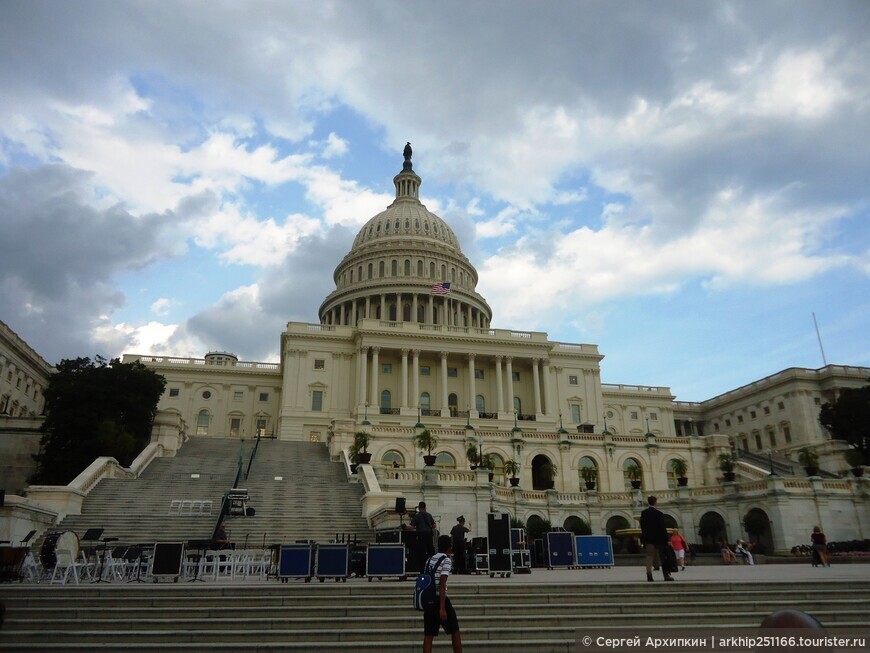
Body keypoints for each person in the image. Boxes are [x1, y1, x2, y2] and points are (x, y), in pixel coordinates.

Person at [422, 534, 462, 653]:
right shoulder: (446, 560)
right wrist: (442, 608)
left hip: (429, 600)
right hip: (441, 600)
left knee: (428, 635)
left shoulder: (429, 560)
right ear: (449, 547)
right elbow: (442, 583)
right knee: (455, 631)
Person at [639, 496, 673, 582]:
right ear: (655, 502)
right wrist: (667, 540)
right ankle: (666, 575)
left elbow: (642, 527)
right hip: (659, 539)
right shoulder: (659, 514)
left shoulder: (644, 513)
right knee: (663, 556)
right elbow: (662, 528)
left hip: (649, 539)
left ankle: (649, 573)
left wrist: (644, 537)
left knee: (650, 556)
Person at [407, 501, 436, 570]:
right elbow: (434, 525)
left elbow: (412, 527)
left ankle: (422, 571)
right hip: (429, 535)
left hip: (421, 535)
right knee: (431, 553)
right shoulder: (429, 515)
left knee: (422, 554)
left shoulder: (417, 516)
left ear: (419, 508)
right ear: (425, 507)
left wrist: (405, 527)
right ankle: (433, 568)